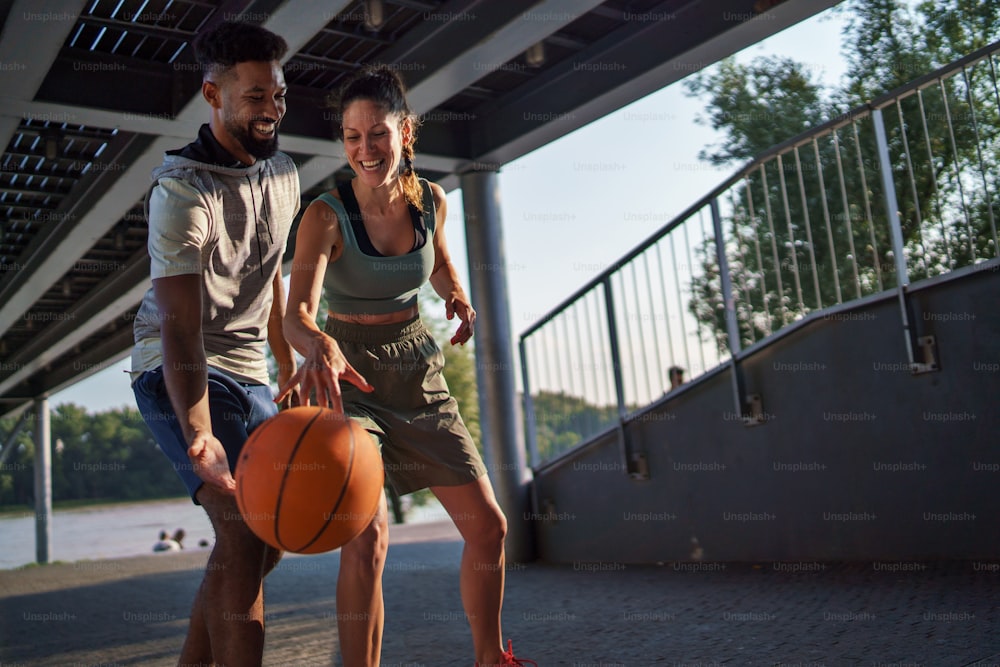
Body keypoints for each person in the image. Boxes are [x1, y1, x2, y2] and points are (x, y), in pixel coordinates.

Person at [278, 65, 533, 667]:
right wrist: (317, 343)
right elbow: (296, 315)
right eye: (352, 136)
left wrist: (459, 297)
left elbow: (438, 264)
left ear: (406, 131)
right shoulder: (324, 216)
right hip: (347, 377)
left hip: (416, 369)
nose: (365, 149)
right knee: (366, 539)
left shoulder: (431, 200)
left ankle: (490, 658)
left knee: (489, 528)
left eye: (378, 134)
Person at [130, 21, 299, 666]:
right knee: (241, 530)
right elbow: (178, 326)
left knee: (268, 537)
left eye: (277, 96)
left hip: (250, 369)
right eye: (255, 97)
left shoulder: (283, 172)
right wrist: (199, 433)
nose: (271, 110)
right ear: (213, 94)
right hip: (176, 366)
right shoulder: (181, 191)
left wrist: (288, 367)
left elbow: (274, 278)